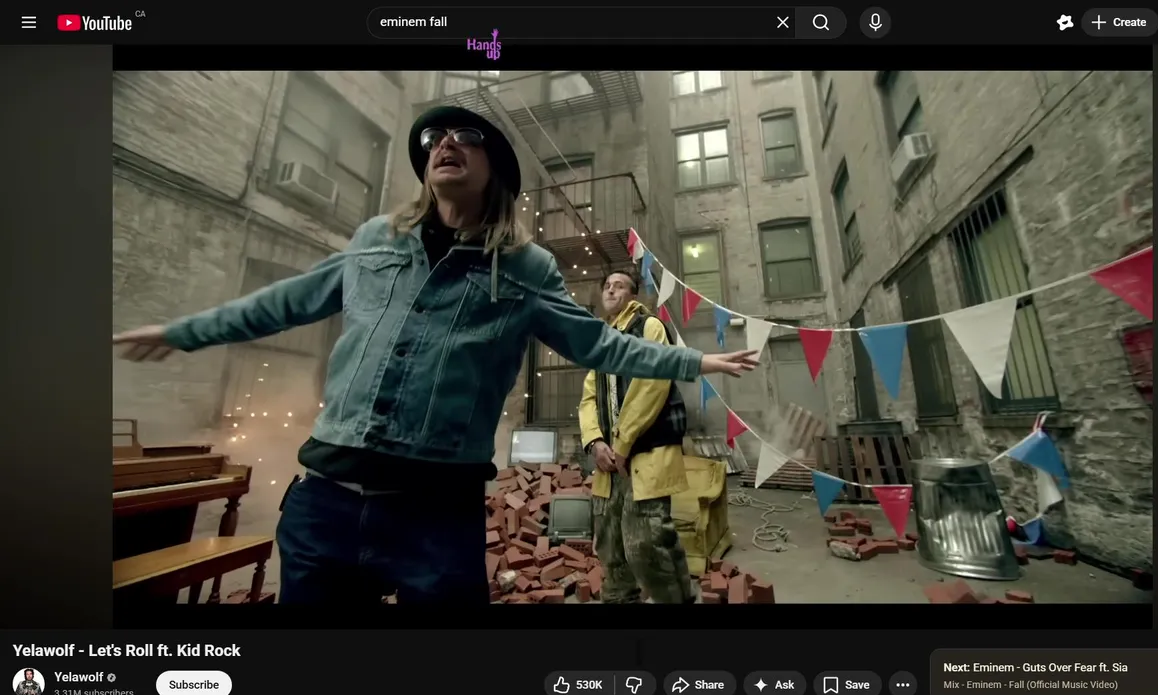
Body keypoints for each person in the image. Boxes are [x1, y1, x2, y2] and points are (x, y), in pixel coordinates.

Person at [112, 105, 758, 606]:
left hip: (436, 516)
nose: (446, 143)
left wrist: (696, 363)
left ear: (495, 171)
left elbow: (596, 344)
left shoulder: (526, 268)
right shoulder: (374, 241)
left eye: (466, 136)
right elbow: (286, 301)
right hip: (326, 505)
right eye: (436, 137)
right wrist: (185, 331)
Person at [579, 270, 695, 604]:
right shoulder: (601, 341)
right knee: (610, 546)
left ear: (633, 294)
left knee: (648, 543)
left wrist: (623, 443)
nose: (610, 290)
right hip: (608, 463)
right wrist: (594, 442)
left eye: (619, 285)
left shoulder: (649, 327)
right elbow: (588, 397)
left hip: (646, 453)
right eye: (606, 285)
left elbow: (651, 385)